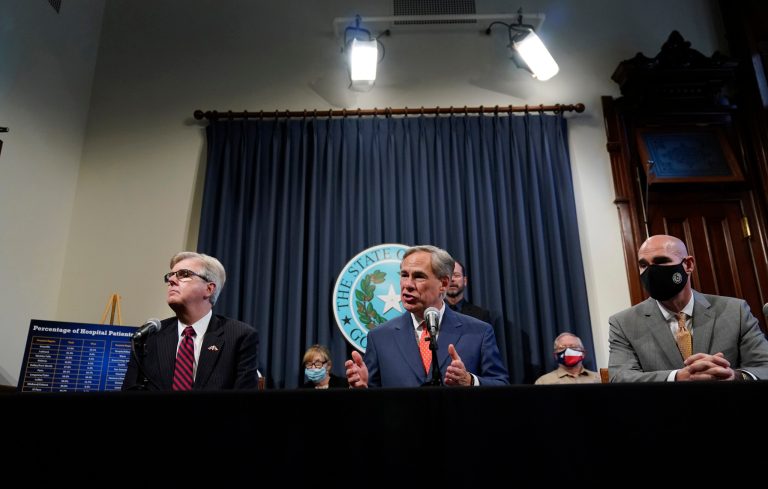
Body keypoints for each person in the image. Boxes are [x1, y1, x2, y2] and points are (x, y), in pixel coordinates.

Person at [608, 234, 768, 382]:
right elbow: (620, 376)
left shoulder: (735, 311)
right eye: (643, 265)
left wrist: (734, 376)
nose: (651, 271)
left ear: (688, 265)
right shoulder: (623, 323)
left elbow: (764, 366)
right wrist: (677, 377)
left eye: (661, 261)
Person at [345, 245, 509, 388]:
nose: (407, 284)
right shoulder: (379, 337)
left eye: (418, 276)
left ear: (443, 284)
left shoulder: (479, 332)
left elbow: (501, 385)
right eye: (404, 275)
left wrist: (470, 381)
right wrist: (362, 389)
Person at [122, 251, 260, 390]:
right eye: (170, 276)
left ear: (209, 289)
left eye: (184, 274)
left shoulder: (239, 337)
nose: (171, 280)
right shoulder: (149, 336)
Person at [534, 332, 600, 384]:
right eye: (562, 347)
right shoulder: (544, 382)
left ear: (583, 353)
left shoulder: (600, 379)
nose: (568, 350)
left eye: (573, 347)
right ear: (556, 355)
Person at [445, 259, 493, 324]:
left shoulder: (480, 316)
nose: (452, 279)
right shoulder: (432, 314)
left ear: (465, 281)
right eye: (448, 276)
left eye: (456, 275)